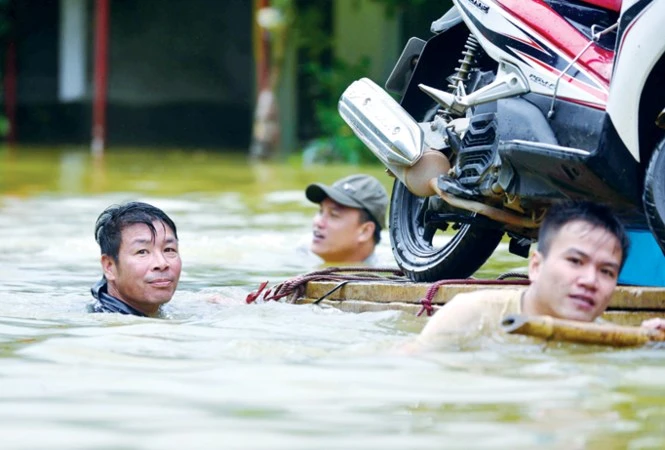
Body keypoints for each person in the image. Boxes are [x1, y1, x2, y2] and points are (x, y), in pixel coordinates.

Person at [415, 200, 630, 348]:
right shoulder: (471, 315)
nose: (590, 281)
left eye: (606, 271)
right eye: (575, 261)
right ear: (536, 266)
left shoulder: (610, 340)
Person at [89, 201, 182, 317]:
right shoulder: (113, 327)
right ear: (109, 267)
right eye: (142, 252)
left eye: (169, 250)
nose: (162, 263)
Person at [304, 174, 389, 265]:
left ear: (365, 231)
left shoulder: (387, 274)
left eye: (334, 215)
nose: (318, 222)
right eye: (321, 211)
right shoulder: (302, 252)